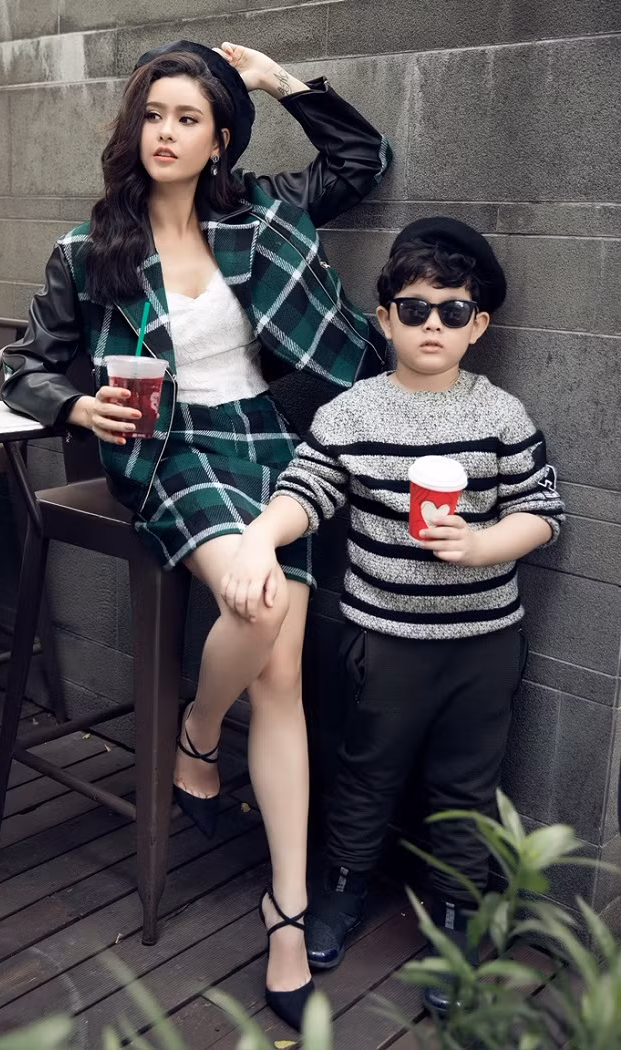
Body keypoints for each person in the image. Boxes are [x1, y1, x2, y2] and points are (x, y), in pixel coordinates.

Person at [0, 39, 391, 1029]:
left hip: (266, 438)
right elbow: (21, 365)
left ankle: (284, 908)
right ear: (132, 130)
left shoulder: (260, 214)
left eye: (187, 117)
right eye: (153, 114)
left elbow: (360, 161)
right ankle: (199, 733)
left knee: (282, 670)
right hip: (166, 449)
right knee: (258, 607)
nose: (165, 132)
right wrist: (75, 406)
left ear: (220, 140)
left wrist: (276, 82)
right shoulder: (88, 249)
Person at [219, 216, 565, 1014]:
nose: (432, 324)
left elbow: (543, 512)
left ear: (478, 325)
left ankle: (457, 914)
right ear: (384, 319)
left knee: (467, 786)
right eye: (414, 309)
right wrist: (259, 538)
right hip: (384, 640)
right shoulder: (351, 413)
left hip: (483, 643)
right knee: (367, 770)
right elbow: (307, 490)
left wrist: (482, 545)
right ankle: (342, 886)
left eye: (452, 310)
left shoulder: (502, 416)